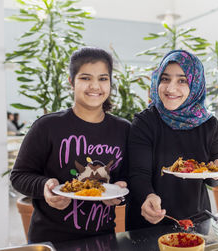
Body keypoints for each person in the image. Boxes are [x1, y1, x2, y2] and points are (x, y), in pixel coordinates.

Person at [10, 47, 130, 246]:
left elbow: (130, 178)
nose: (94, 86)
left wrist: (121, 191)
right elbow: (19, 176)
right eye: (85, 78)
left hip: (102, 239)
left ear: (110, 82)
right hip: (51, 240)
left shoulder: (124, 129)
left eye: (103, 78)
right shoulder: (47, 126)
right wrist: (45, 187)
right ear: (71, 82)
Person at [126, 49, 218, 235]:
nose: (171, 88)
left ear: (195, 84)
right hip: (148, 222)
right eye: (165, 79)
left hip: (196, 221)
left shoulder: (210, 126)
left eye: (182, 80)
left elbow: (212, 180)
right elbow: (138, 173)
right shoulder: (145, 122)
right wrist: (147, 196)